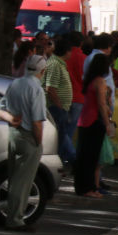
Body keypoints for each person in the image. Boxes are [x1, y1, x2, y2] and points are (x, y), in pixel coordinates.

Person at [0, 55, 48, 230]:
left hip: (14, 134)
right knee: (23, 181)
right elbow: (37, 122)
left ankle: (12, 215)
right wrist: (38, 141)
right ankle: (15, 219)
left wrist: (11, 119)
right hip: (28, 136)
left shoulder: (16, 83)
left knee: (14, 178)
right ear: (42, 71)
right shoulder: (37, 89)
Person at [74, 53, 114, 198]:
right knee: (92, 157)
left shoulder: (89, 80)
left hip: (84, 120)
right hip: (94, 121)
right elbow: (102, 104)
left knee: (83, 156)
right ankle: (89, 188)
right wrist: (107, 123)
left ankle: (82, 187)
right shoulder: (100, 82)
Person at [42, 38, 75, 167]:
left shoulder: (58, 63)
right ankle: (69, 161)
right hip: (55, 108)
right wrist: (59, 107)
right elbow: (50, 88)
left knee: (62, 137)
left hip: (59, 108)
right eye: (70, 51)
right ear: (66, 51)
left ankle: (69, 159)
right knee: (59, 139)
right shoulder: (55, 64)